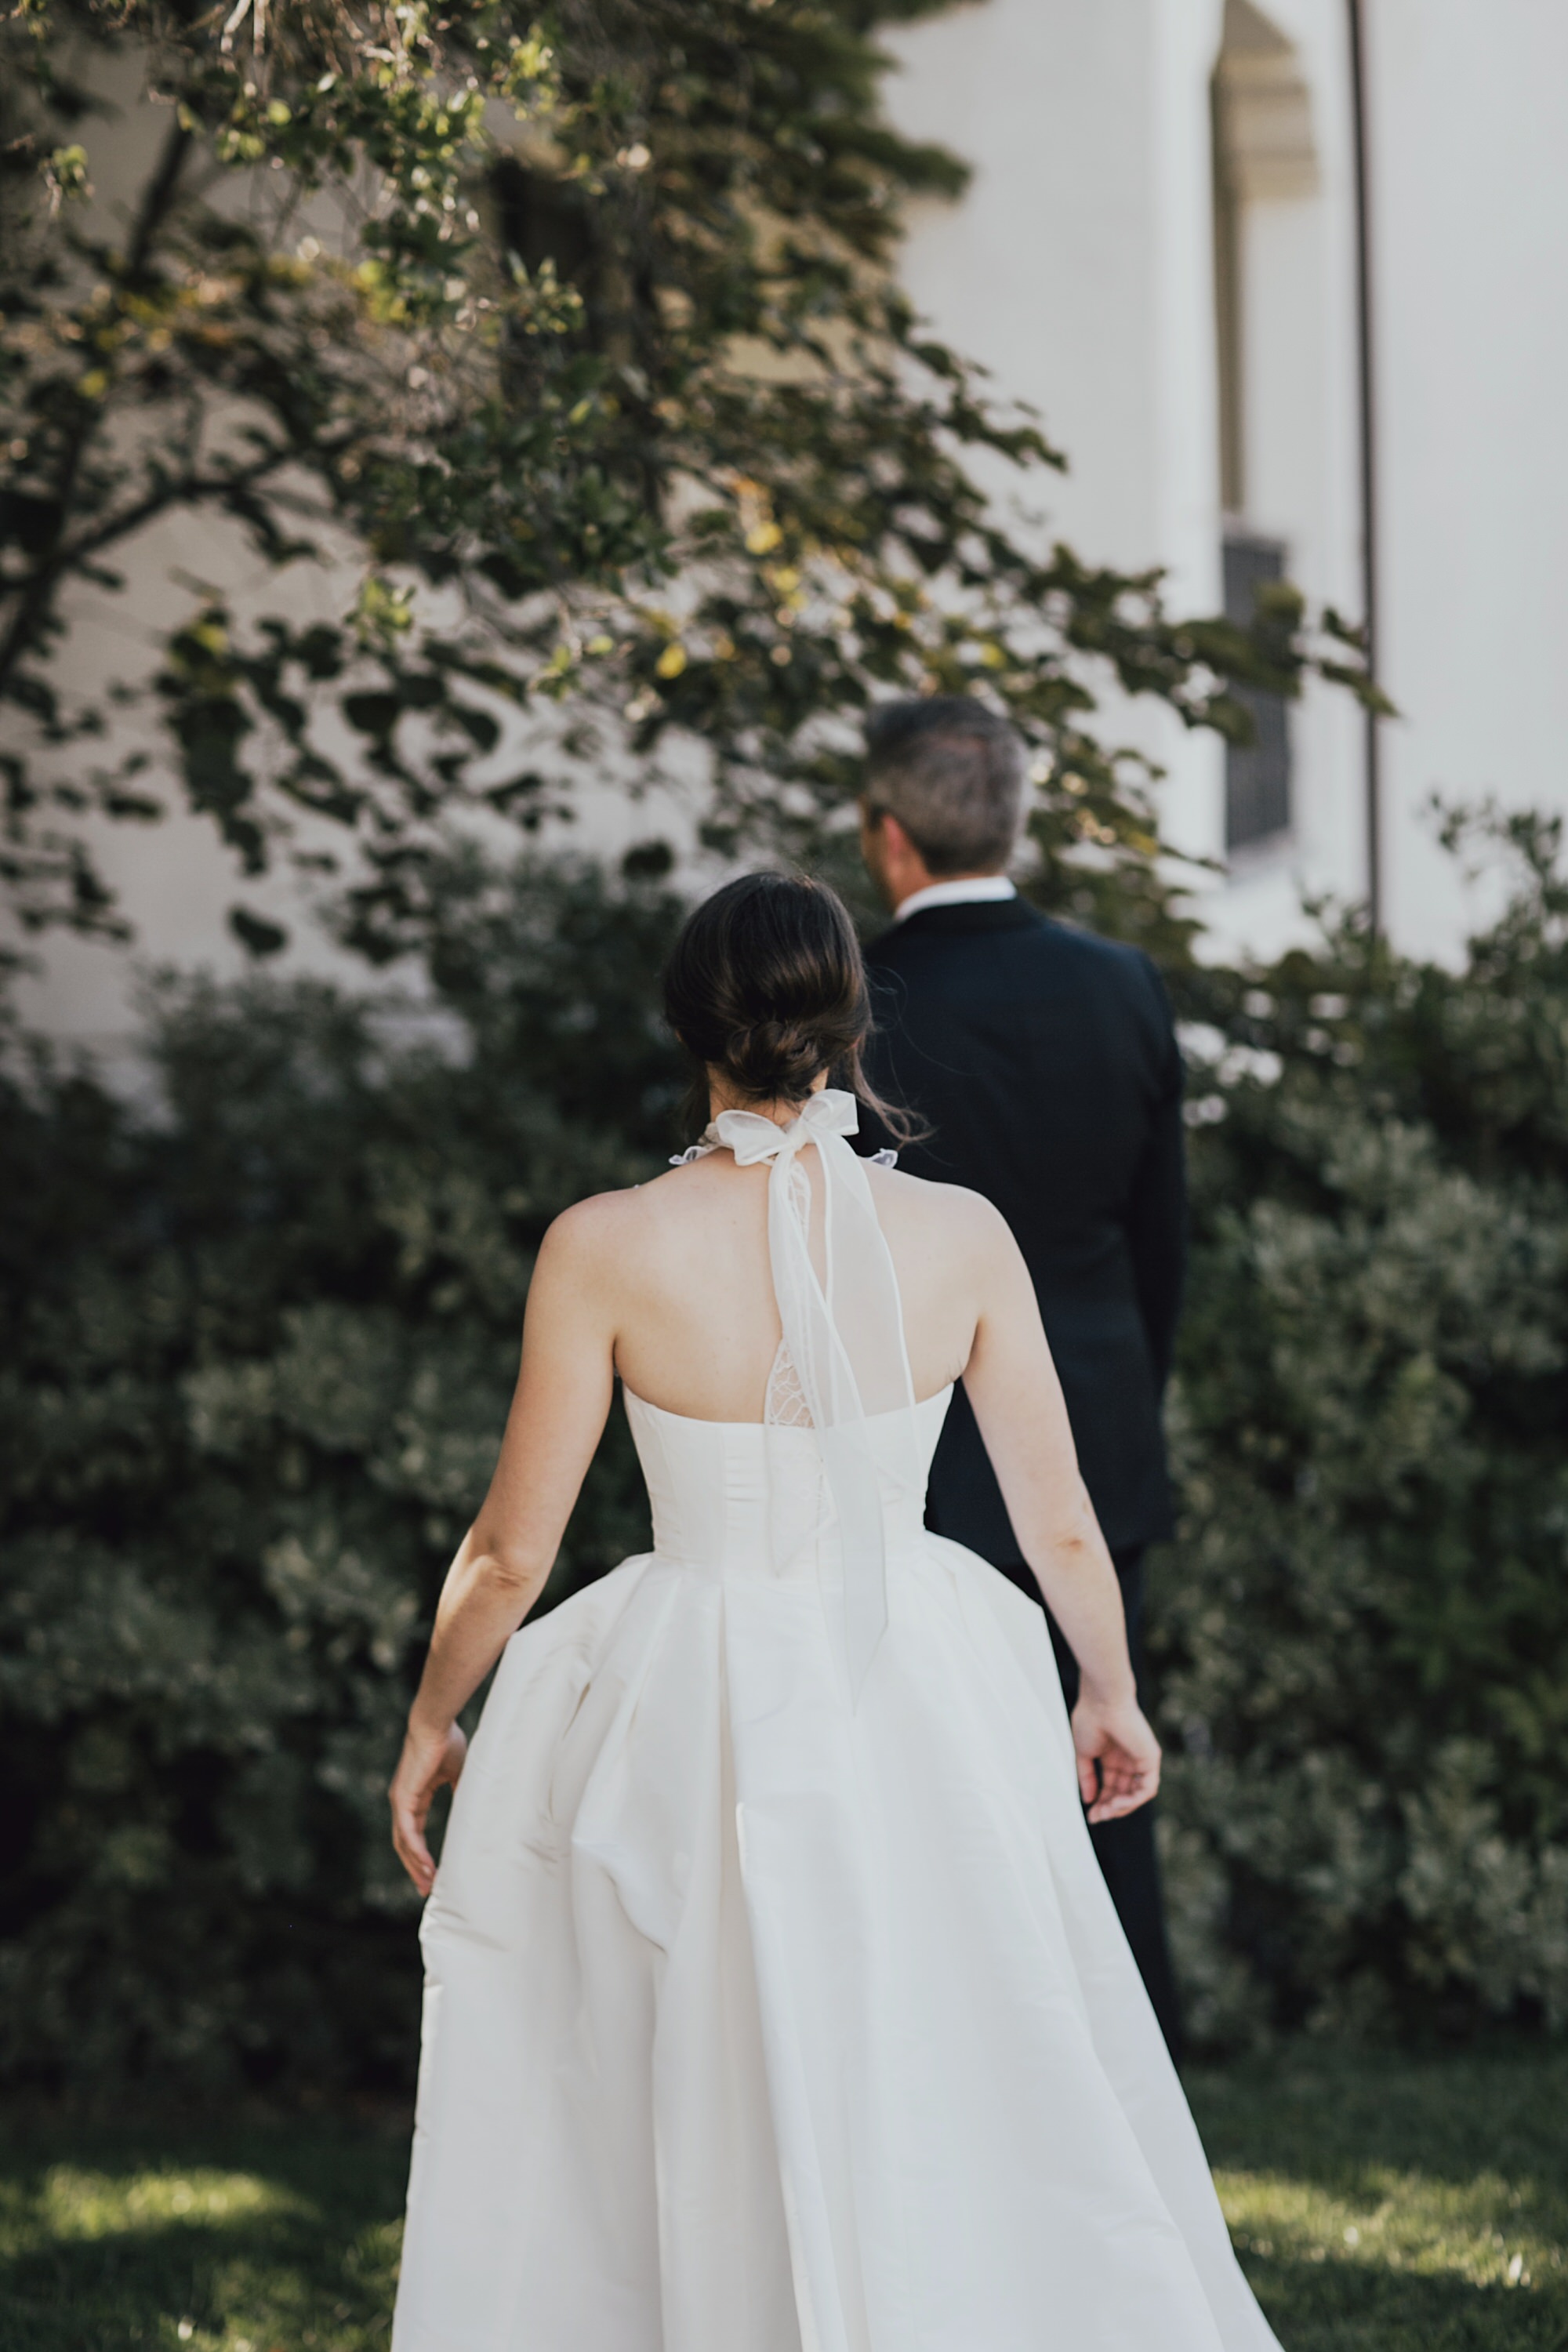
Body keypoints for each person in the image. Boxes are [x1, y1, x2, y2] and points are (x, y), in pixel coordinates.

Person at [386, 873, 1279, 2352]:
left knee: (691, 2047)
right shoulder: (965, 1233)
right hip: (921, 1676)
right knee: (950, 2033)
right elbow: (1057, 1516)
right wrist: (1107, 1689)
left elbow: (506, 1555)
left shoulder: (603, 1243)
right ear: (853, 1020)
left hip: (694, 1686)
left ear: (693, 1030)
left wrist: (435, 1717)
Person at [858, 695, 1187, 2057]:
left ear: (888, 838)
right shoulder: (1124, 984)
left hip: (909, 1449)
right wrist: (1119, 1406)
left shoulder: (852, 1000)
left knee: (921, 1790)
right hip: (1097, 1442)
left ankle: (954, 2067)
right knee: (1100, 1770)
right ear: (1019, 819)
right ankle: (1124, 2066)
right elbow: (1160, 1238)